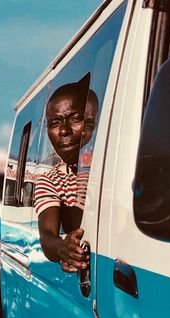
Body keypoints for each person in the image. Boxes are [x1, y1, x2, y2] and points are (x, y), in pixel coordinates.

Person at [34, 79, 98, 272]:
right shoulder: (51, 179)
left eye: (75, 118)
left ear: (93, 123)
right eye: (54, 123)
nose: (63, 131)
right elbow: (47, 236)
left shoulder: (119, 163)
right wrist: (63, 248)